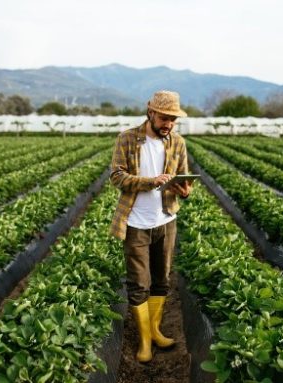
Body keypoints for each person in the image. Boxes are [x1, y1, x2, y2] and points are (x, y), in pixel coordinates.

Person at [109, 90, 191, 362]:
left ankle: (155, 330)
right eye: (165, 117)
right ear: (151, 113)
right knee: (139, 283)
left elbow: (183, 179)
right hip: (136, 222)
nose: (168, 123)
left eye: (173, 119)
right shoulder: (128, 139)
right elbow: (117, 176)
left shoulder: (178, 143)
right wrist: (149, 182)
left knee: (162, 280)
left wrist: (185, 189)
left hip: (166, 220)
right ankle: (144, 341)